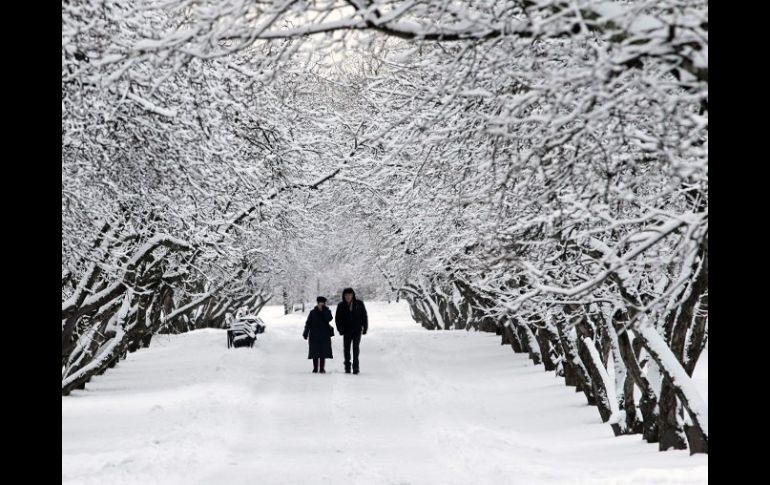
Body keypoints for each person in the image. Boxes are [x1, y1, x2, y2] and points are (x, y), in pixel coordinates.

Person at [334, 288, 368, 374]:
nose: (348, 297)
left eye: (350, 295)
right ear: (344, 296)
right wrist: (340, 330)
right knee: (346, 349)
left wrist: (365, 327)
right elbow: (338, 319)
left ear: (353, 295)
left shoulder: (359, 304)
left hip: (357, 330)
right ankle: (347, 367)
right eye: (346, 295)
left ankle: (356, 367)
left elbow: (364, 316)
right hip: (346, 331)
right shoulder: (341, 305)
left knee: (355, 348)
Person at [303, 296, 334, 373]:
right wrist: (305, 333)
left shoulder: (327, 311)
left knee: (323, 352)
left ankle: (322, 368)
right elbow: (308, 323)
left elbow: (329, 318)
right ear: (317, 303)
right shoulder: (312, 312)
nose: (321, 304)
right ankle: (315, 368)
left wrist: (323, 311)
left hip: (324, 335)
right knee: (315, 352)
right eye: (319, 303)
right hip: (314, 334)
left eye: (322, 303)